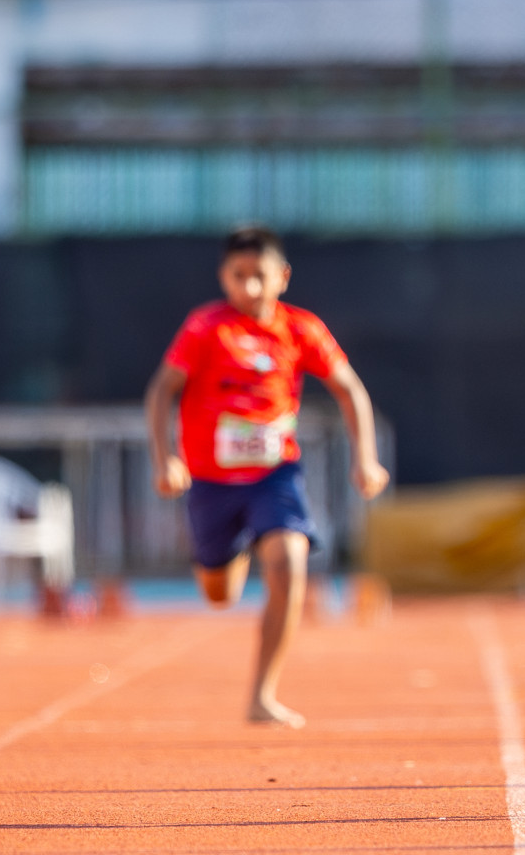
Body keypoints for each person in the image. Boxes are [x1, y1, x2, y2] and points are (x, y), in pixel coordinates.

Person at [144, 226, 389, 727]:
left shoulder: (301, 329)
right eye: (239, 277)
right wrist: (164, 457)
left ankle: (262, 695)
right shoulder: (206, 327)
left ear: (283, 276)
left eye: (260, 277)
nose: (250, 289)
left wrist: (365, 458)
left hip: (274, 475)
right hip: (211, 482)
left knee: (288, 563)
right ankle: (229, 554)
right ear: (224, 277)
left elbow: (350, 390)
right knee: (219, 594)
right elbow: (161, 392)